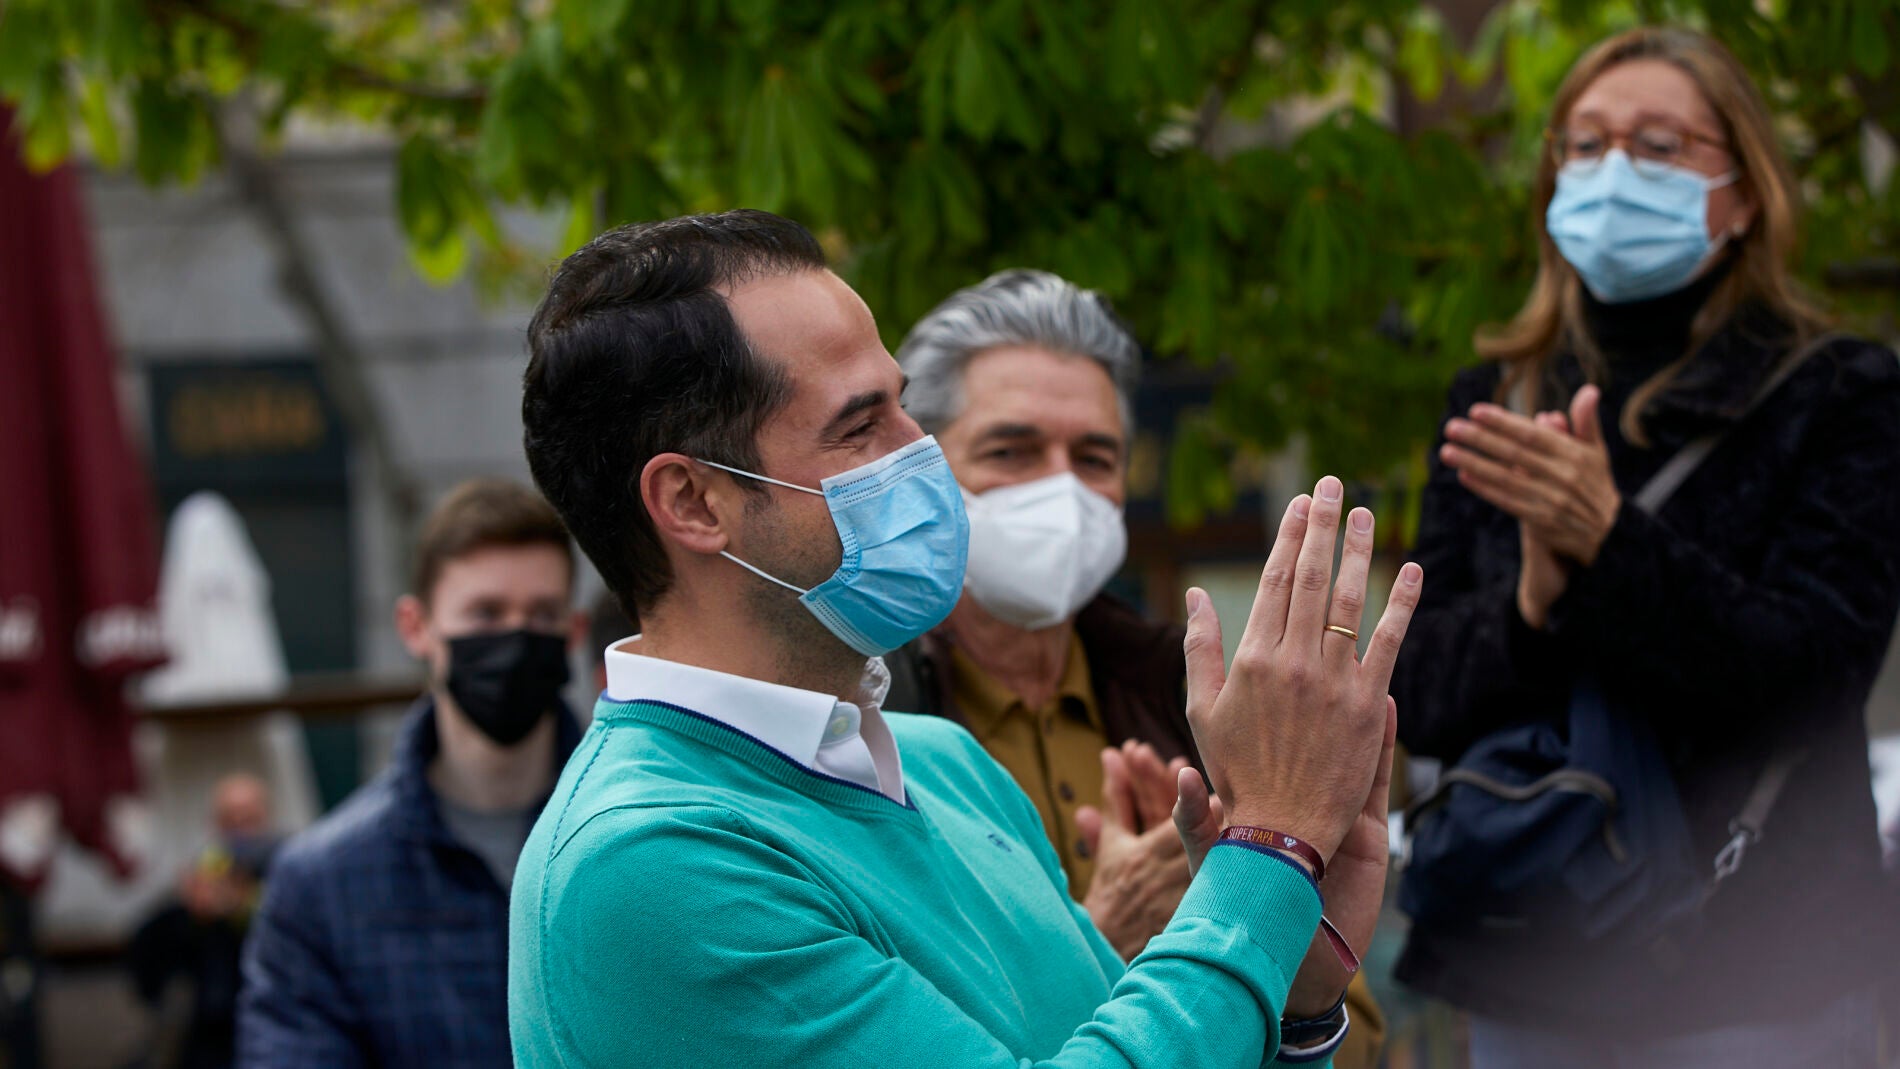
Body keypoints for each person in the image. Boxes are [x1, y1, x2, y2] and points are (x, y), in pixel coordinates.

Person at [509, 209, 1421, 1067]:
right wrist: (1266, 854)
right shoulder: (646, 859)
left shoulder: (942, 763)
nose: (925, 453)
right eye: (861, 426)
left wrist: (1293, 1002)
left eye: (904, 408)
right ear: (694, 502)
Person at [1391, 26, 1900, 1065]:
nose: (1613, 171)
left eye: (1659, 146)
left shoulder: (1838, 391)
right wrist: (1530, 609)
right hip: (1532, 958)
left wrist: (1612, 544)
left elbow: (1813, 674)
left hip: (1758, 963)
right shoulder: (1495, 398)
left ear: (1744, 194)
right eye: (1584, 146)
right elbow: (1419, 690)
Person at [885, 268, 1384, 1066]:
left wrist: (1268, 945)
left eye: (1094, 457)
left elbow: (1351, 1041)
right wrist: (1099, 939)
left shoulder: (1198, 705)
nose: (1061, 489)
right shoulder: (864, 724)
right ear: (921, 470)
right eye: (1011, 450)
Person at [238, 479, 585, 1068]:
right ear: (415, 627)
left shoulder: (635, 841)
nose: (516, 638)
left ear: (573, 633)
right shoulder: (321, 886)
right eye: (486, 613)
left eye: (542, 614)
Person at [128, 774, 281, 1069]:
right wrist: (191, 917)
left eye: (248, 819)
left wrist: (243, 909)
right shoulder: (200, 878)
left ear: (266, 818)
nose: (240, 830)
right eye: (230, 820)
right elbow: (147, 968)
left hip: (269, 1032)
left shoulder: (289, 876)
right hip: (207, 1038)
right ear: (215, 824)